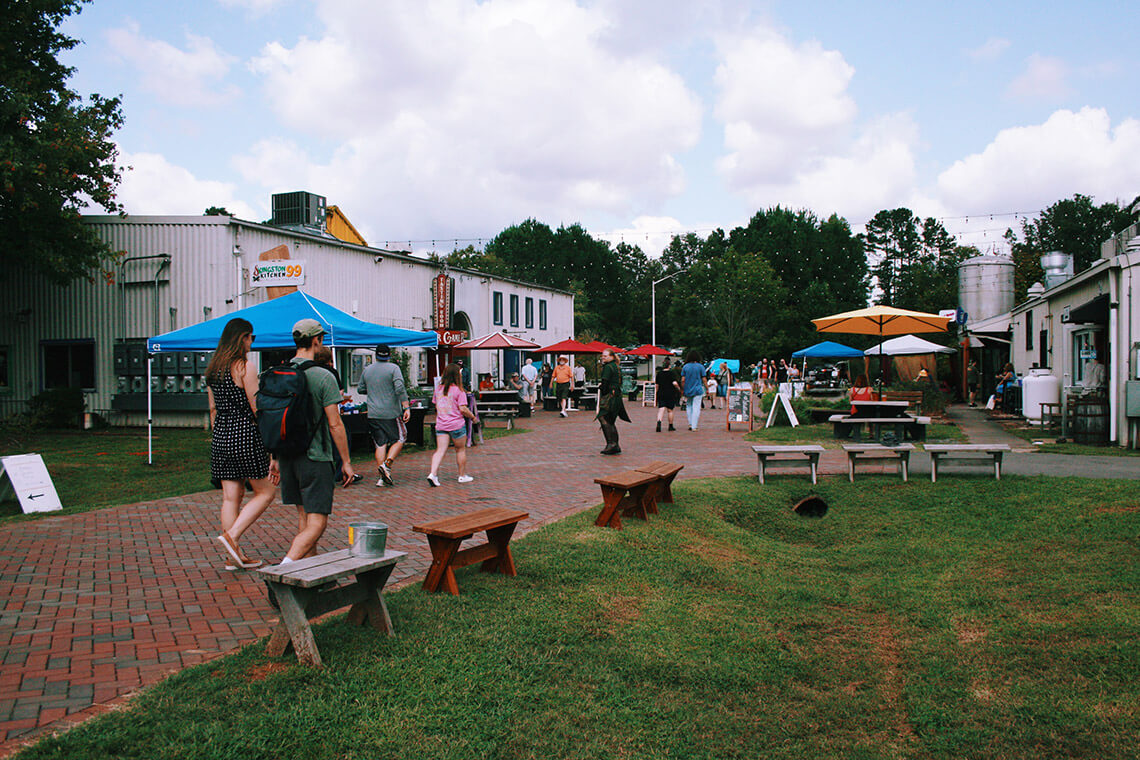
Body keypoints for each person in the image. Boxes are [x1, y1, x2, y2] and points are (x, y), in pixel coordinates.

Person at [272, 319, 355, 563]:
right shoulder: (323, 376)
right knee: (318, 522)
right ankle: (285, 569)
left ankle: (310, 572)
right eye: (322, 340)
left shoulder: (279, 373)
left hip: (287, 455)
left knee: (304, 518)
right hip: (315, 457)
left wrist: (274, 458)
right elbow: (335, 423)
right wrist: (346, 461)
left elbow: (274, 418)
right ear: (316, 340)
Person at [207, 318, 276, 571]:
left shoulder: (214, 369)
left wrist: (219, 434)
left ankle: (232, 555)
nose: (251, 343)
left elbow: (213, 409)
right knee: (266, 492)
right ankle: (232, 537)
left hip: (222, 435)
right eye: (251, 337)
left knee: (230, 498)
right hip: (245, 434)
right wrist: (269, 440)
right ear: (243, 338)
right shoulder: (244, 366)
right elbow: (256, 406)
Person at [357, 344, 411, 488]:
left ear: (376, 355)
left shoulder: (367, 370)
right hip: (391, 412)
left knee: (380, 443)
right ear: (389, 355)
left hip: (373, 412)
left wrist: (375, 388)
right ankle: (387, 465)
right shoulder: (394, 368)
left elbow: (361, 388)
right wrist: (406, 407)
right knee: (401, 437)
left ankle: (382, 477)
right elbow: (400, 387)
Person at [427, 363, 476, 485]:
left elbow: (436, 405)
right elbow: (463, 409)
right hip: (456, 424)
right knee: (460, 450)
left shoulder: (438, 390)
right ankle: (462, 475)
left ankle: (433, 473)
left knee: (440, 450)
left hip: (441, 424)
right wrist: (473, 417)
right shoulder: (459, 391)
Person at [596, 347, 629, 454]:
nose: (603, 357)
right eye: (602, 356)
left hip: (611, 395)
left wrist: (602, 388)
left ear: (611, 356)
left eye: (605, 356)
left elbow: (605, 381)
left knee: (603, 417)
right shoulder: (615, 366)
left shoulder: (608, 367)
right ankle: (614, 444)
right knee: (610, 419)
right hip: (616, 395)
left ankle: (612, 444)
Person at [681, 350, 705, 430]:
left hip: (688, 389)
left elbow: (683, 380)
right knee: (696, 407)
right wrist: (707, 388)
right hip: (698, 389)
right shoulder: (701, 367)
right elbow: (704, 379)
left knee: (689, 406)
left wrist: (682, 389)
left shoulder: (685, 367)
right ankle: (694, 426)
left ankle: (690, 423)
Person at [655, 357, 681, 432]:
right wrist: (678, 388)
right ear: (669, 366)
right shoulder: (671, 373)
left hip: (661, 393)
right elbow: (674, 383)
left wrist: (657, 392)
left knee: (661, 409)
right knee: (670, 410)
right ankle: (670, 425)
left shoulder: (659, 374)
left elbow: (657, 385)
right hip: (670, 393)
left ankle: (659, 422)